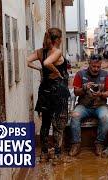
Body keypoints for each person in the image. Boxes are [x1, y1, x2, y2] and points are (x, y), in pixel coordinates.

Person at [27, 28, 70, 165]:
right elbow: (47, 63)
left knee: (45, 123)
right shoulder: (56, 52)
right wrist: (57, 72)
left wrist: (38, 69)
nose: (61, 41)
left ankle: (44, 154)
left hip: (44, 91)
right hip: (57, 92)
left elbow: (27, 60)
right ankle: (57, 155)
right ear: (57, 40)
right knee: (58, 124)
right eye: (61, 38)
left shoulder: (40, 52)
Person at [69, 54, 108, 156]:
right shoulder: (80, 74)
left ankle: (99, 143)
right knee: (74, 116)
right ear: (89, 63)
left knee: (104, 117)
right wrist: (84, 88)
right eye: (94, 66)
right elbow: (76, 92)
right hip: (84, 106)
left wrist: (101, 94)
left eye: (98, 66)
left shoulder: (106, 75)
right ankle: (76, 143)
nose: (96, 69)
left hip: (100, 106)